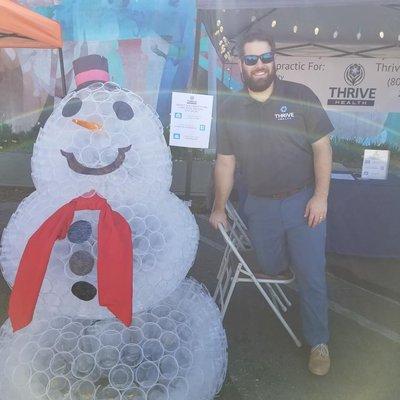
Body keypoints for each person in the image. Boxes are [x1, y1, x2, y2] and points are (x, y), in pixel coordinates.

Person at [209, 30, 334, 376]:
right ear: (241, 65)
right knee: (272, 267)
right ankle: (297, 286)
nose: (259, 65)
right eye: (251, 59)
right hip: (260, 206)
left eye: (265, 58)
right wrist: (219, 207)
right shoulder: (231, 106)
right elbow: (225, 161)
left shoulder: (299, 96)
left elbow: (322, 148)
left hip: (302, 201)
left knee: (310, 273)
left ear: (274, 60)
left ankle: (318, 341)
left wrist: (321, 197)